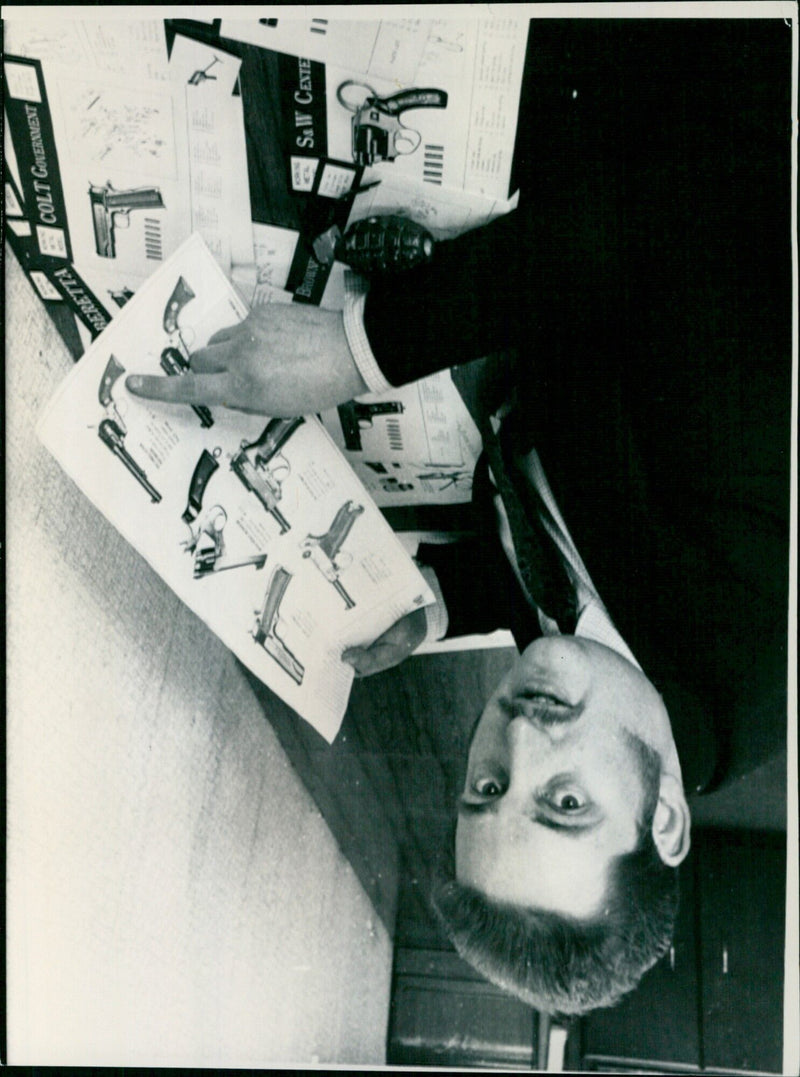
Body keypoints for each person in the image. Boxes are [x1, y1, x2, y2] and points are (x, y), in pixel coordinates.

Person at [126, 20, 792, 1014]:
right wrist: (361, 349)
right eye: (563, 804)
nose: (519, 740)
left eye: (484, 790)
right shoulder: (761, 603)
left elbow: (573, 587)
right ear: (663, 822)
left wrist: (441, 603)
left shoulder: (614, 703)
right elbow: (671, 220)